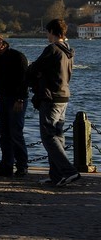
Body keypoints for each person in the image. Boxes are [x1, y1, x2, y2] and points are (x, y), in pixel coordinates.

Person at [28, 18, 79, 187]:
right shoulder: (69, 51)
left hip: (51, 97)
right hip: (64, 95)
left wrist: (39, 76)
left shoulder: (52, 49)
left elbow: (34, 68)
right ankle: (57, 176)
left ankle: (68, 171)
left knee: (48, 136)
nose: (46, 35)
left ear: (51, 32)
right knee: (58, 135)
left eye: (47, 32)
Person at [0, 33, 30, 178]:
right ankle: (6, 165)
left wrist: (20, 99)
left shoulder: (18, 57)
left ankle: (22, 166)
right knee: (4, 132)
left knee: (16, 132)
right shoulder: (0, 58)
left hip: (17, 98)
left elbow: (24, 79)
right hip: (5, 96)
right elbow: (0, 77)